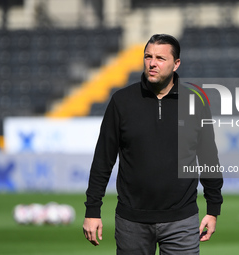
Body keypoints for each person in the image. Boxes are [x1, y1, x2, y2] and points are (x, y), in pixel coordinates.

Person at [83, 34, 223, 255]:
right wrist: (92, 210)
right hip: (132, 221)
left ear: (176, 64)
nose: (152, 63)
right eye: (148, 56)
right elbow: (103, 159)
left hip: (182, 221)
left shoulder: (195, 101)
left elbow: (208, 157)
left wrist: (213, 209)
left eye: (160, 58)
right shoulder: (122, 101)